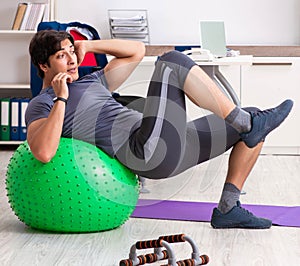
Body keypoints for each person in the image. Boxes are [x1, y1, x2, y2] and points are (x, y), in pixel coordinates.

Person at [26, 30, 293, 229]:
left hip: (167, 141)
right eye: (62, 55)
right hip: (145, 151)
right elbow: (44, 152)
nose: (72, 59)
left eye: (72, 52)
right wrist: (60, 97)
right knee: (171, 62)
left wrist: (88, 45)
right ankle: (244, 122)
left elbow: (136, 51)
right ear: (44, 65)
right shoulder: (41, 104)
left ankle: (228, 209)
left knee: (256, 116)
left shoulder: (94, 81)